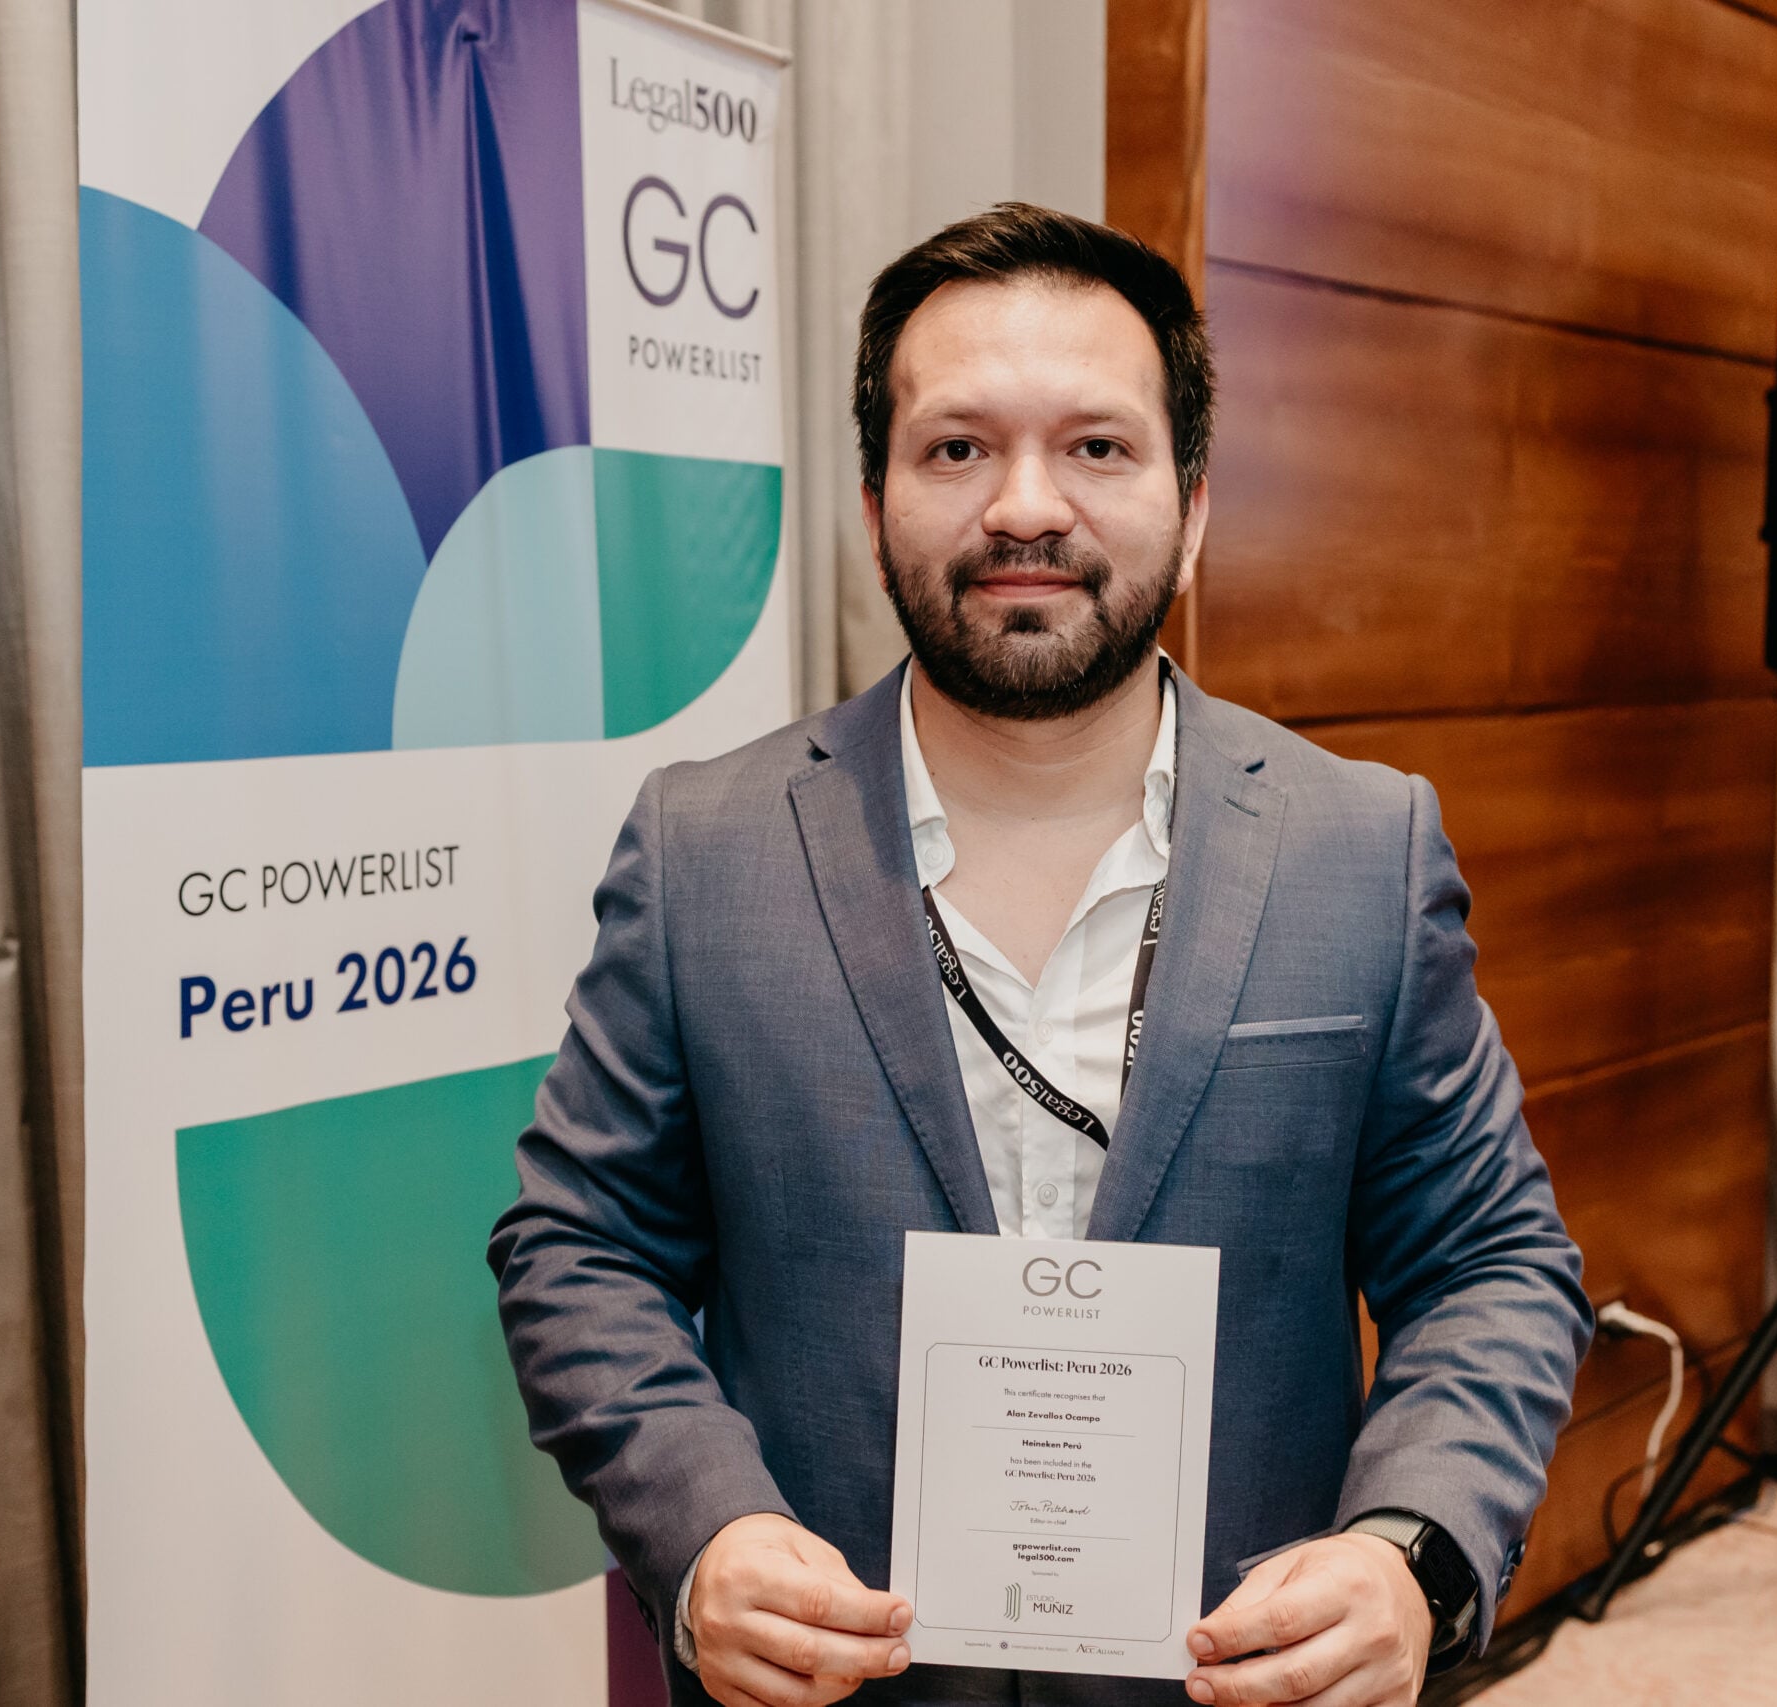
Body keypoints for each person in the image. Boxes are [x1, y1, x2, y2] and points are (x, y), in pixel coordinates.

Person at [490, 204, 1590, 1707]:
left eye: (1096, 447)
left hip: (1239, 1683)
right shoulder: (704, 851)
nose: (1025, 507)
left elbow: (1490, 1261)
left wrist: (1414, 1553)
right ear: (872, 506)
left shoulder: (1361, 850)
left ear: (1192, 507)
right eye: (956, 448)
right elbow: (580, 1246)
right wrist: (705, 1532)